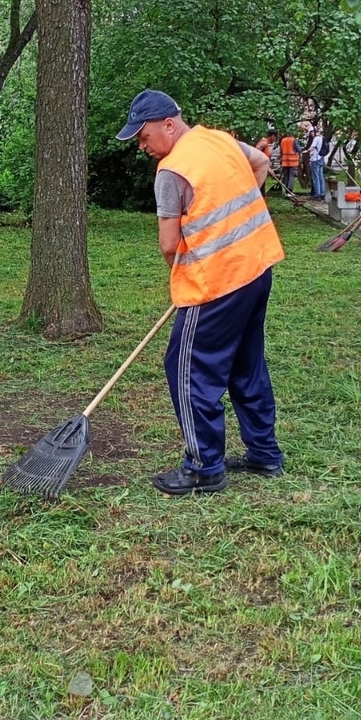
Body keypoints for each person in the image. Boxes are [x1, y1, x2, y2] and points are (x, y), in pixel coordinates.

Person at [116, 90, 285, 496]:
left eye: (143, 136)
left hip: (215, 283)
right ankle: (264, 454)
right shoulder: (219, 139)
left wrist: (191, 269)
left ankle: (204, 467)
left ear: (169, 124)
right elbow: (260, 163)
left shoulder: (172, 171)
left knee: (187, 371)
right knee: (246, 364)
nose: (142, 147)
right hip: (257, 267)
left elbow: (170, 245)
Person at [309, 129, 327, 202]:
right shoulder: (322, 138)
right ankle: (322, 193)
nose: (311, 135)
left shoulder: (316, 138)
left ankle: (317, 194)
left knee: (315, 177)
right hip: (321, 158)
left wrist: (306, 151)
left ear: (313, 132)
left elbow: (312, 147)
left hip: (315, 159)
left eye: (311, 133)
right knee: (320, 176)